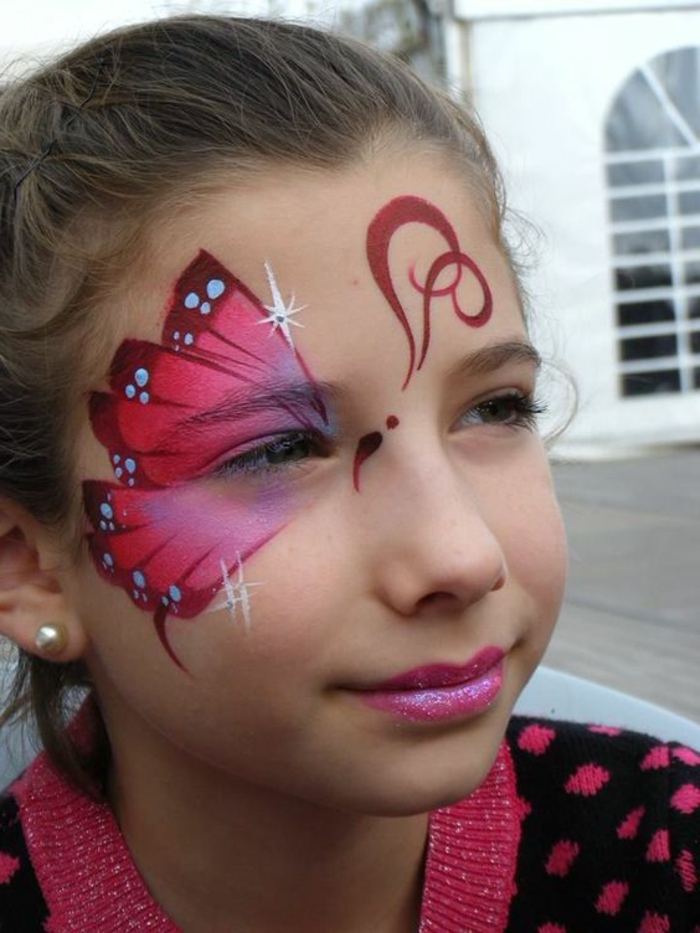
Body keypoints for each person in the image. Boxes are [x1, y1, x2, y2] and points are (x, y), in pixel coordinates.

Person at [0, 14, 697, 932]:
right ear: (31, 566)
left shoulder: (665, 857)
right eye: (280, 448)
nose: (462, 554)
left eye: (495, 408)